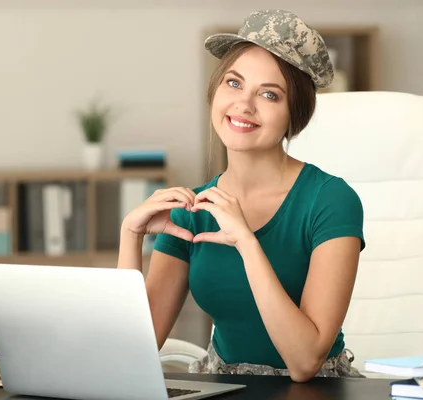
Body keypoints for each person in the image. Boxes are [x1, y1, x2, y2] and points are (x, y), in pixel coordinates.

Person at [117, 9, 366, 382]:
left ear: (294, 115)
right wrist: (130, 236)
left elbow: (304, 362)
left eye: (269, 94)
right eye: (233, 83)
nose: (244, 105)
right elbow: (130, 352)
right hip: (223, 386)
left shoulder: (330, 200)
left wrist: (247, 243)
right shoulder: (193, 209)